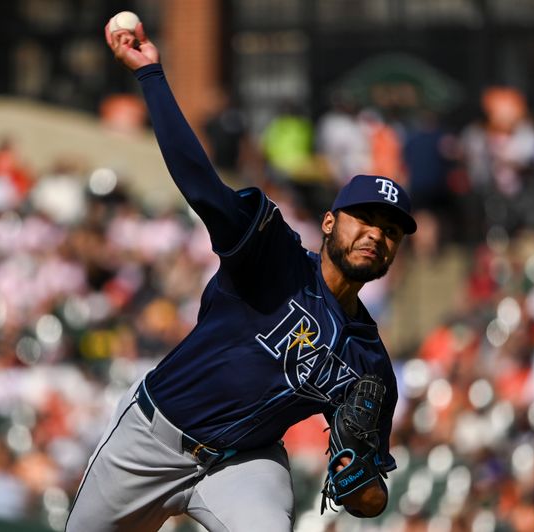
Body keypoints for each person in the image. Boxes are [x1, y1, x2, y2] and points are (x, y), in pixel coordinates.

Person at [66, 18, 416, 532]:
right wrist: (151, 76)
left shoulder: (371, 363)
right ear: (328, 222)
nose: (375, 234)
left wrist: (357, 476)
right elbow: (201, 184)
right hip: (152, 436)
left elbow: (371, 498)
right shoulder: (271, 255)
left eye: (390, 231)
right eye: (364, 218)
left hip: (243, 463)